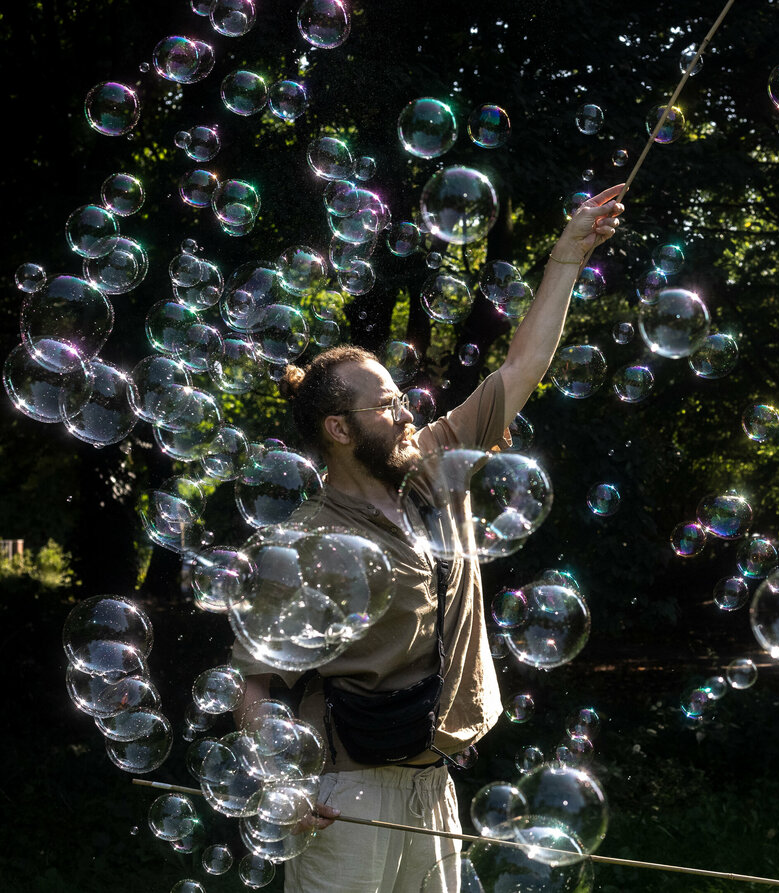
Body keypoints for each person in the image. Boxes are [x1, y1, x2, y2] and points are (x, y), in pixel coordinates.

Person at [230, 184, 626, 893]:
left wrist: (566, 256)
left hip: (434, 783)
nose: (406, 406)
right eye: (385, 403)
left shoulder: (436, 468)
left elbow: (520, 368)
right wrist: (279, 784)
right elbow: (257, 683)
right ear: (340, 430)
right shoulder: (302, 541)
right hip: (344, 796)